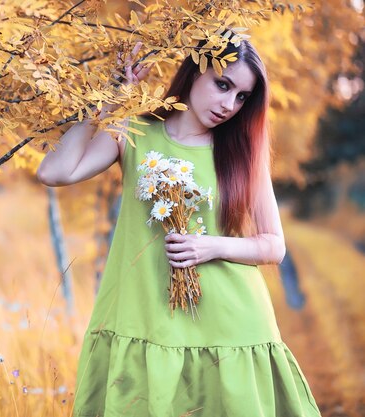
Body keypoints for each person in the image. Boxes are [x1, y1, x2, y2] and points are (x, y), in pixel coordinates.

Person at [36, 40, 322, 416]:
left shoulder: (241, 153)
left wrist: (211, 247)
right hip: (144, 317)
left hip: (229, 325)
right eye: (223, 85)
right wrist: (109, 102)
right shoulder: (134, 130)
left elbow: (273, 246)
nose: (229, 105)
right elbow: (54, 172)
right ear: (194, 70)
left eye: (241, 97)